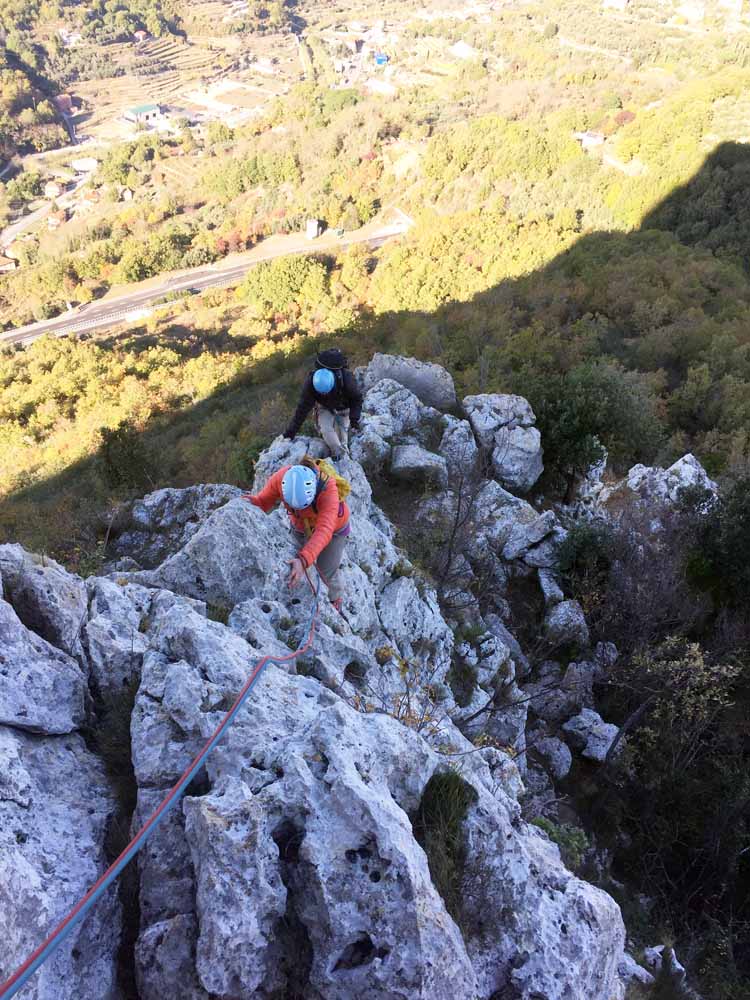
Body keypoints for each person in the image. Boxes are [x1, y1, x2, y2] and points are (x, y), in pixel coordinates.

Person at [243, 457, 350, 609]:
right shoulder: (281, 478)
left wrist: (303, 560)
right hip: (300, 526)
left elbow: (325, 529)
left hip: (335, 529)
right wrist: (250, 503)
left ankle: (334, 599)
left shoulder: (328, 489)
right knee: (296, 562)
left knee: (325, 570)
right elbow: (263, 501)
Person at [284, 348, 363, 460]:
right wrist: (291, 432)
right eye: (321, 393)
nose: (324, 394)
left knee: (342, 439)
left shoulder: (347, 380)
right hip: (325, 407)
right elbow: (302, 409)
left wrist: (354, 419)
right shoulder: (311, 384)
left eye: (326, 392)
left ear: (333, 384)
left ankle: (344, 456)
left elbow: (357, 399)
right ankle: (340, 456)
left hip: (344, 407)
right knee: (326, 431)